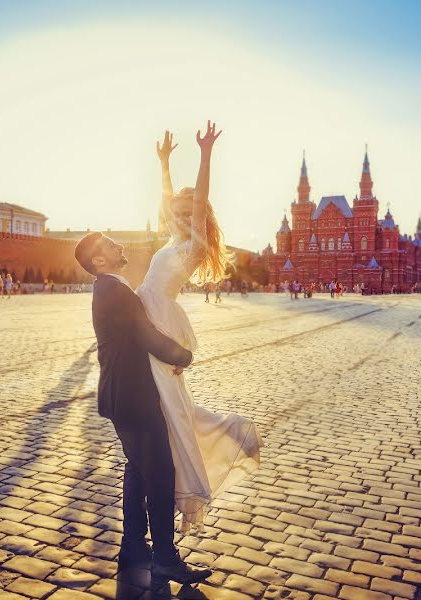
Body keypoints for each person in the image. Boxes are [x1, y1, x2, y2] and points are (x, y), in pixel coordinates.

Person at [75, 231, 211, 597]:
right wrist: (184, 356)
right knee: (160, 474)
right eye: (109, 244)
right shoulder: (113, 291)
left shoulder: (112, 288)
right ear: (99, 261)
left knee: (138, 469)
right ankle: (165, 556)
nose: (119, 244)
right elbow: (147, 334)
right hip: (133, 398)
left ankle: (134, 547)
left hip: (124, 396)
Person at [142, 124, 261, 535]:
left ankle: (187, 480)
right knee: (172, 405)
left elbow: (199, 197)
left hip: (158, 319)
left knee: (172, 407)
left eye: (184, 211)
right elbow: (167, 202)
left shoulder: (192, 246)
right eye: (174, 211)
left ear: (196, 215)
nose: (175, 215)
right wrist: (164, 164)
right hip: (152, 315)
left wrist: (205, 154)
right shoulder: (175, 236)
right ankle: (213, 439)